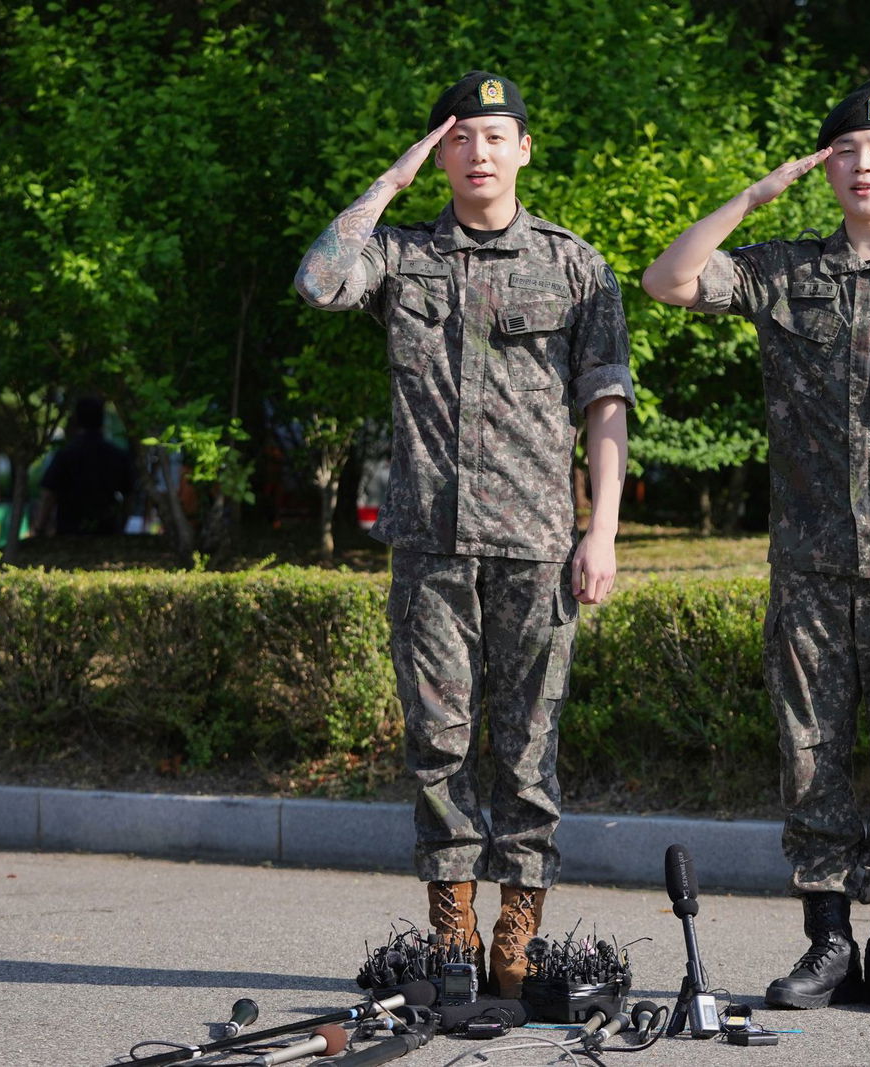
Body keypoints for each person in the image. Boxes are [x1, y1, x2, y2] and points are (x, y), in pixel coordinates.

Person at [641, 79, 870, 1014]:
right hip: (808, 566)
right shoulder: (784, 271)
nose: (862, 164)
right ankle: (825, 944)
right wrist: (753, 198)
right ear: (826, 167)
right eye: (845, 151)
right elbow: (668, 279)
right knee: (809, 756)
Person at [292, 71, 633, 999]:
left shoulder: (577, 266)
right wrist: (385, 186)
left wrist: (601, 530)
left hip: (537, 546)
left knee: (529, 746)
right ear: (439, 153)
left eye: (495, 136)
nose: (477, 152)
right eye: (458, 138)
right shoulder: (401, 256)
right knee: (439, 743)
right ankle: (453, 929)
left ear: (525, 148)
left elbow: (606, 406)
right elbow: (320, 280)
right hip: (431, 546)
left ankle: (517, 934)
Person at [35, 395, 133, 537]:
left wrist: (40, 527)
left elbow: (49, 494)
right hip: (107, 531)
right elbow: (129, 496)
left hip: (69, 531)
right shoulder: (117, 454)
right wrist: (121, 526)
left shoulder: (65, 455)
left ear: (77, 419)